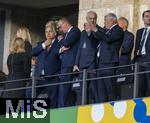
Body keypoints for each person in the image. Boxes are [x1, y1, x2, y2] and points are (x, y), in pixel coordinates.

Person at [90, 13, 124, 103]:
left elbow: (107, 38)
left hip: (109, 63)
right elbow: (101, 34)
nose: (104, 22)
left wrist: (96, 29)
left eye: (105, 20)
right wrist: (93, 28)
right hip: (101, 63)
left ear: (112, 21)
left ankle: (112, 110)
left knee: (110, 89)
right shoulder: (106, 30)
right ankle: (103, 112)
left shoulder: (118, 30)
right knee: (101, 92)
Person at [29, 23, 61, 108]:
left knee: (52, 100)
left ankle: (52, 117)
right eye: (46, 32)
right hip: (39, 77)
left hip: (52, 77)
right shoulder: (41, 44)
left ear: (55, 33)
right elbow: (32, 52)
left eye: (50, 31)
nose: (48, 33)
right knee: (30, 94)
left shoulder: (59, 44)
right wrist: (44, 45)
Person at [73, 11, 98, 104]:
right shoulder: (83, 32)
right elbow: (80, 48)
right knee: (82, 89)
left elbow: (94, 43)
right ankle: (82, 107)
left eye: (94, 19)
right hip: (82, 65)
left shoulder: (97, 30)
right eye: (90, 18)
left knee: (94, 89)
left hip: (92, 64)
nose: (92, 20)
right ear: (87, 19)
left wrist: (90, 33)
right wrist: (76, 63)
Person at [57, 17, 81, 107]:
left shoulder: (74, 31)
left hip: (69, 64)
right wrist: (63, 46)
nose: (60, 30)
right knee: (65, 89)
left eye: (60, 27)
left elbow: (67, 43)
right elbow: (65, 44)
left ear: (65, 24)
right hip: (65, 63)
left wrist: (60, 39)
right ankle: (65, 107)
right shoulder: (67, 34)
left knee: (64, 88)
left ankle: (62, 109)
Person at [133, 10, 150, 97]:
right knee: (139, 85)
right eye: (146, 16)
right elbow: (136, 47)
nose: (148, 18)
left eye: (149, 16)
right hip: (139, 60)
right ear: (143, 18)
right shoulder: (139, 31)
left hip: (148, 60)